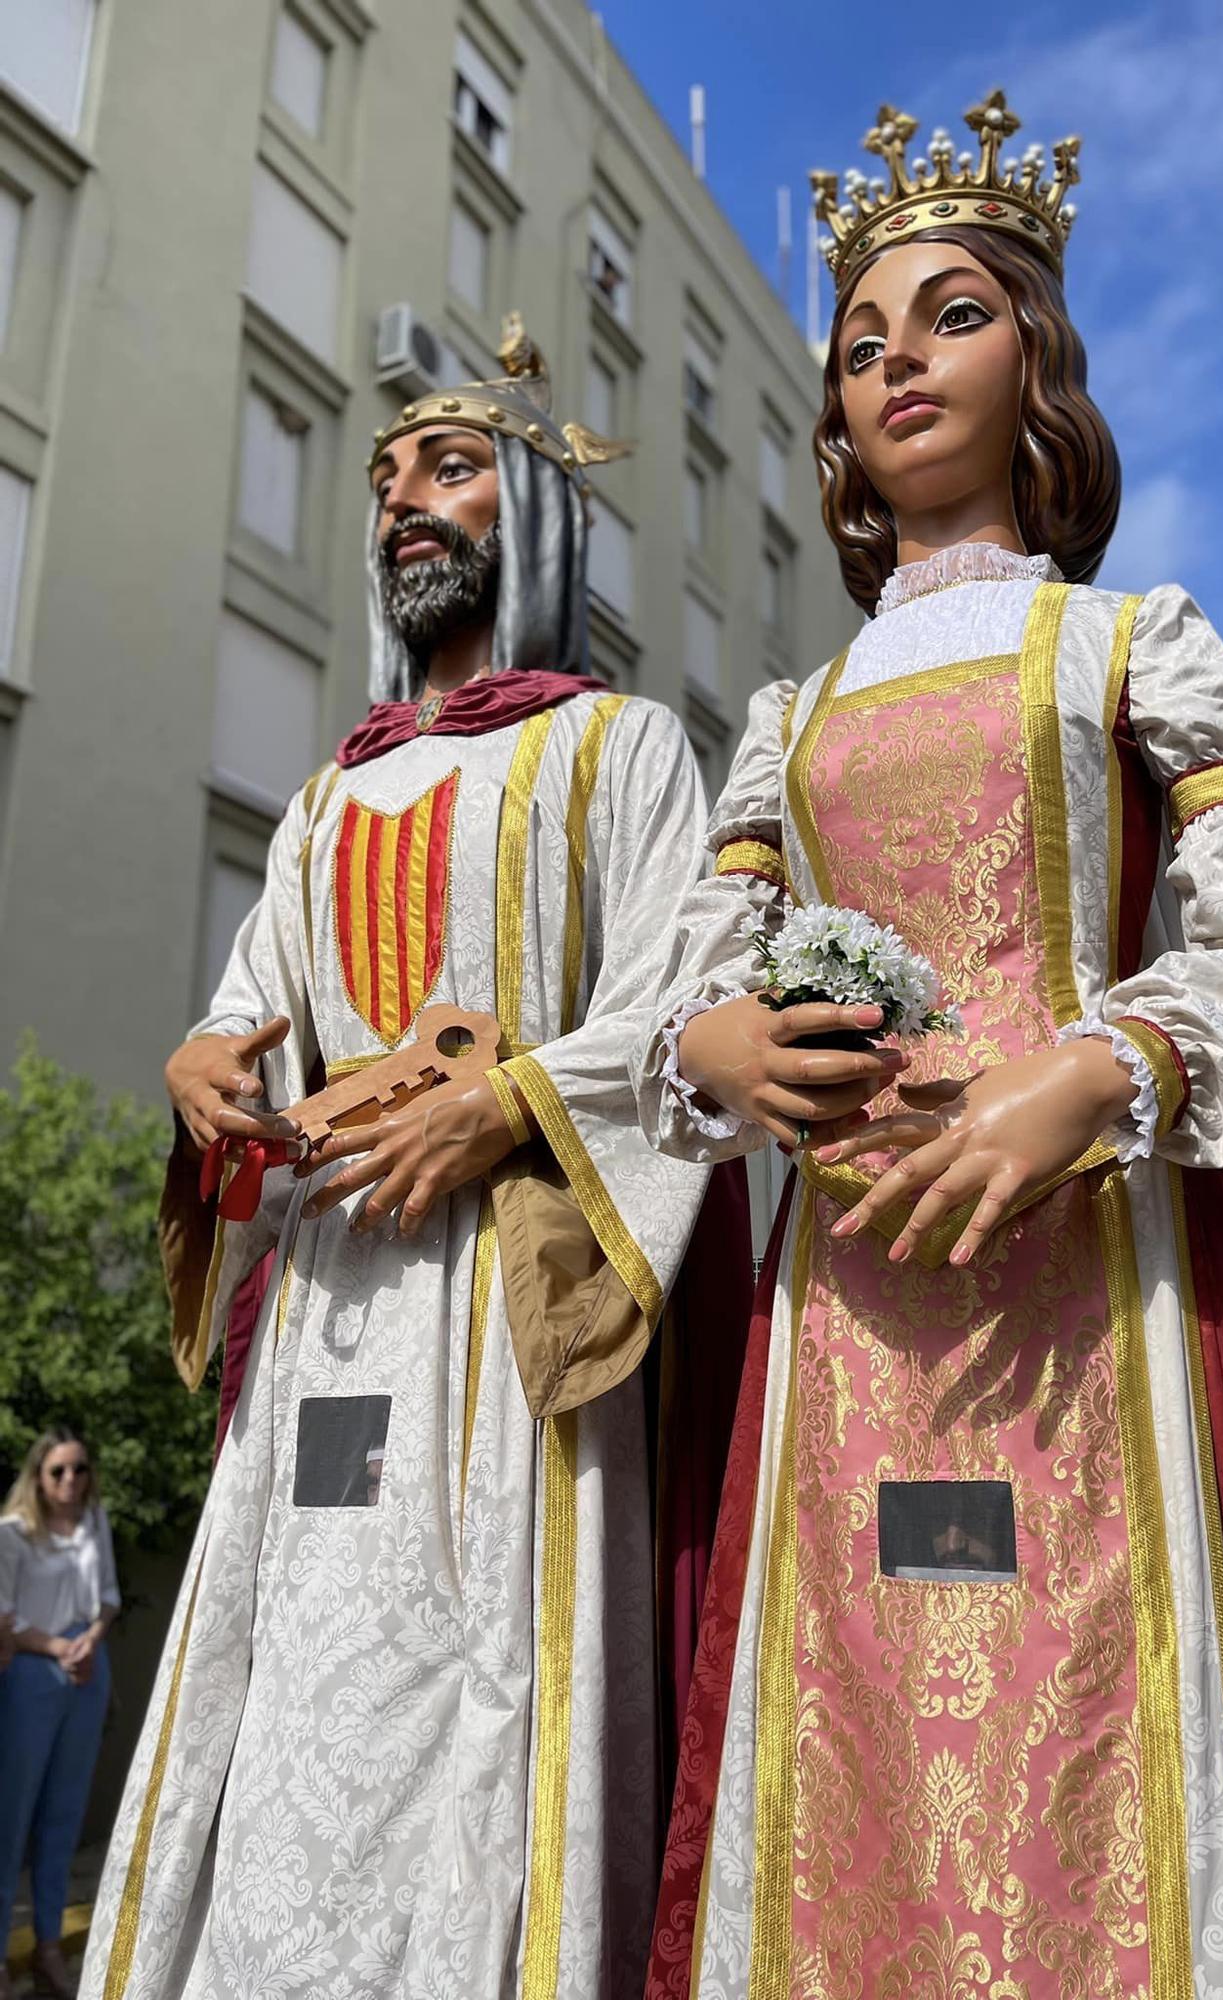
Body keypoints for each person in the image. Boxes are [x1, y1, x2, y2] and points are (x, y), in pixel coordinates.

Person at [636, 87, 1223, 1999]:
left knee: (1126, 1767)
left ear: (1040, 358)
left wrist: (1091, 1074)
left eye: (949, 315)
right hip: (848, 1321)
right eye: (861, 343)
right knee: (834, 1778)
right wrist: (723, 1049)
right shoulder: (789, 716)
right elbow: (683, 1003)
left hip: (1103, 1305)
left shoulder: (1133, 647)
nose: (896, 364)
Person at [80, 320, 732, 2000]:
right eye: (384, 484)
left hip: (506, 1299)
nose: (402, 508)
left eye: (446, 470)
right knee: (286, 1673)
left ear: (533, 506)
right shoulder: (322, 802)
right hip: (330, 1302)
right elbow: (249, 1015)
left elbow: (681, 1010)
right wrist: (202, 1068)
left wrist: (505, 1103)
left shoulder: (622, 749)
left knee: (488, 1682)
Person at [0, 1428, 119, 2000]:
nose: (70, 1481)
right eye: (58, 1472)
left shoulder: (94, 1522)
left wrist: (90, 1640)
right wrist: (57, 1648)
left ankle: (49, 1946)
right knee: (11, 1817)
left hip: (88, 1672)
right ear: (38, 1477)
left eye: (79, 1469)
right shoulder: (13, 1534)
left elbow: (110, 1600)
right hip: (32, 1674)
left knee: (64, 1816)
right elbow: (4, 1618)